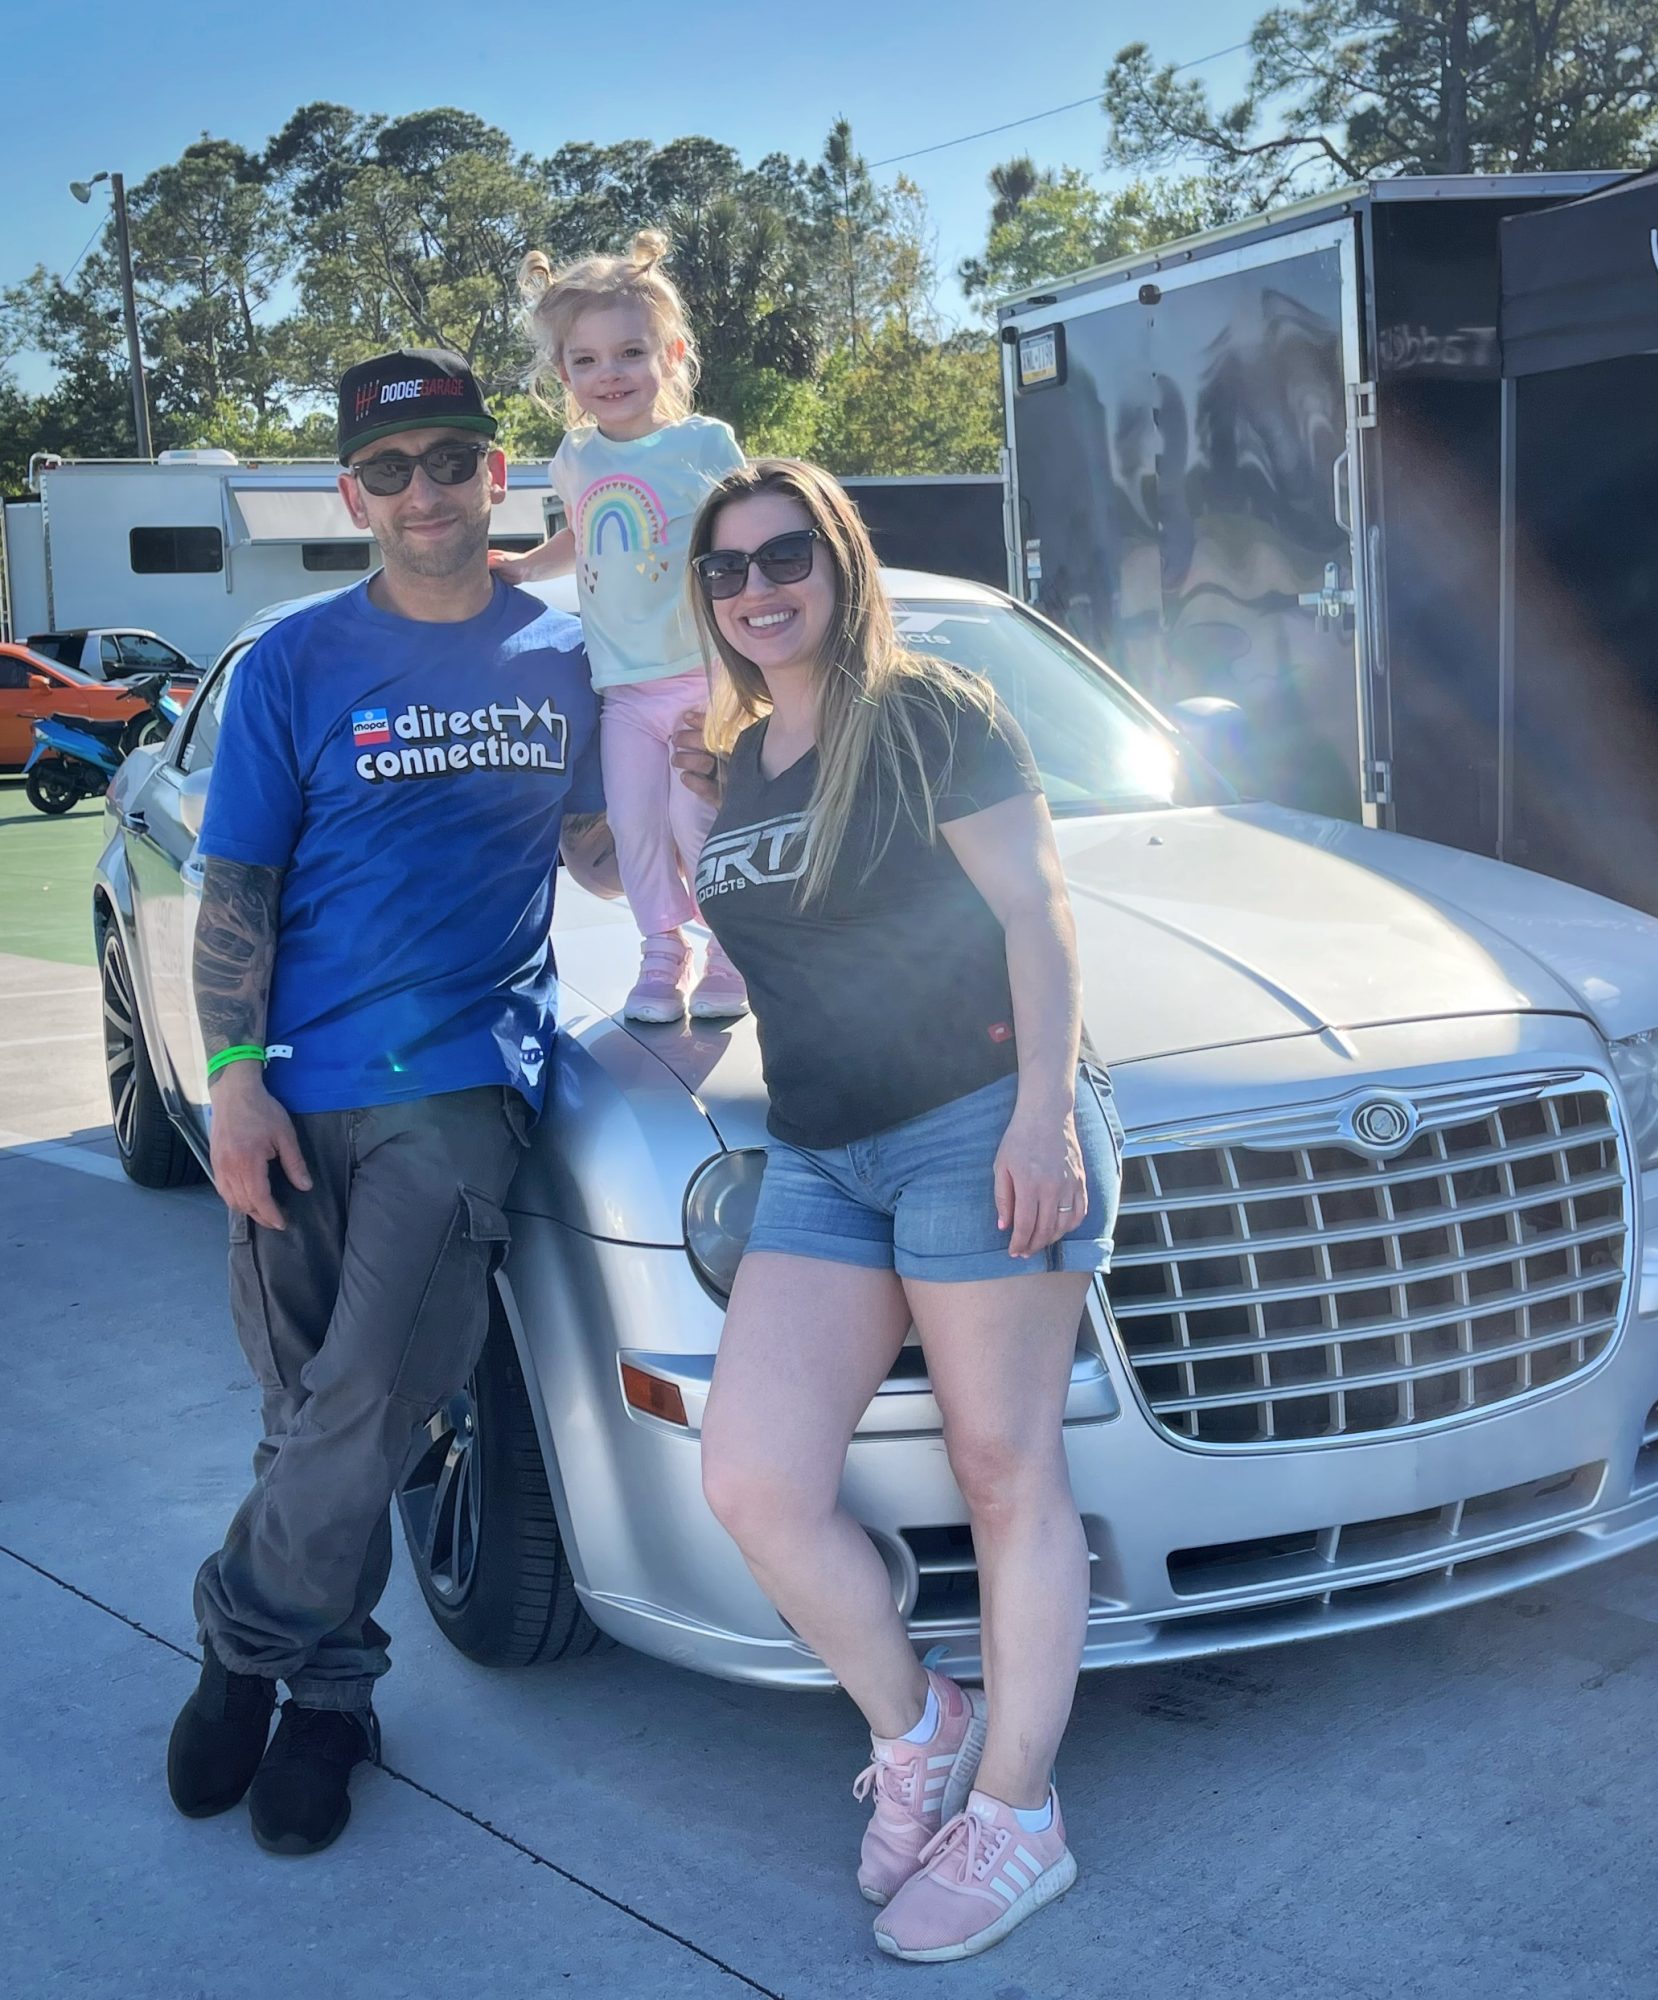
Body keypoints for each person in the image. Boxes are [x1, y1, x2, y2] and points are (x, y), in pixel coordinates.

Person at [165, 348, 621, 1857]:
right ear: (351, 492)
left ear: (500, 476)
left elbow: (610, 855)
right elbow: (239, 889)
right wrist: (232, 1085)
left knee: (369, 1396)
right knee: (309, 1413)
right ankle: (337, 1699)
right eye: (390, 468)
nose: (423, 491)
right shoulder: (298, 661)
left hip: (461, 1083)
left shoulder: (564, 657)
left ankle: (237, 1645)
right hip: (293, 1089)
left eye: (450, 461)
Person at [685, 460, 1123, 1963]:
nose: (759, 588)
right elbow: (742, 957)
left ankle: (1019, 1814)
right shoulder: (733, 761)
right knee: (751, 1479)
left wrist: (1043, 1110)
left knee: (1006, 1471)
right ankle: (918, 1721)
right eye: (730, 570)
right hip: (820, 1157)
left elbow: (1035, 909)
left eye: (785, 555)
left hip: (967, 1125)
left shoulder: (927, 710)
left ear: (840, 558)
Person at [494, 231, 748, 1025]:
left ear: (670, 354)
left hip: (703, 678)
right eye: (587, 361)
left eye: (630, 352)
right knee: (635, 821)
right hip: (624, 690)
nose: (611, 375)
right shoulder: (575, 457)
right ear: (562, 373)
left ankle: (732, 948)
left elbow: (740, 536)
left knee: (693, 817)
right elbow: (589, 533)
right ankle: (662, 948)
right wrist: (531, 566)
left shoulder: (704, 444)